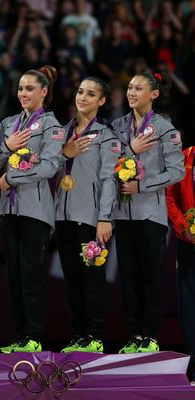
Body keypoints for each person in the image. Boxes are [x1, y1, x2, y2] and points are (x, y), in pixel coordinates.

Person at [112, 70, 185, 353]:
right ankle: (133, 334)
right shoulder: (118, 126)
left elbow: (177, 171)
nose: (131, 92)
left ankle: (151, 335)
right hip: (123, 213)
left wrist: (142, 186)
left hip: (151, 215)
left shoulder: (166, 129)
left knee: (151, 276)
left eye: (138, 88)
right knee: (129, 276)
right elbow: (108, 162)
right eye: (129, 87)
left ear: (153, 94)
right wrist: (130, 149)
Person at [0, 65, 65, 353]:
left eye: (29, 88)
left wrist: (12, 177)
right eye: (21, 88)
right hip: (9, 210)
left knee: (31, 273)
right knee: (13, 275)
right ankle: (20, 336)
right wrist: (5, 147)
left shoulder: (52, 126)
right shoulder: (8, 125)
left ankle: (33, 336)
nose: (23, 93)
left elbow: (49, 166)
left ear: (44, 92)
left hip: (35, 211)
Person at [55, 77, 120, 353]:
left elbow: (109, 179)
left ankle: (93, 336)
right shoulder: (62, 132)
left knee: (91, 280)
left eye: (90, 94)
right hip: (63, 217)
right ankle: (79, 334)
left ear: (101, 101)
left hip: (91, 219)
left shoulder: (106, 136)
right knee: (72, 280)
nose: (82, 97)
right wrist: (62, 152)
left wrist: (105, 217)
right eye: (80, 91)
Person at [166, 145, 195, 385]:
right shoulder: (185, 157)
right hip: (188, 243)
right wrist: (181, 224)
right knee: (190, 308)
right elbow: (170, 197)